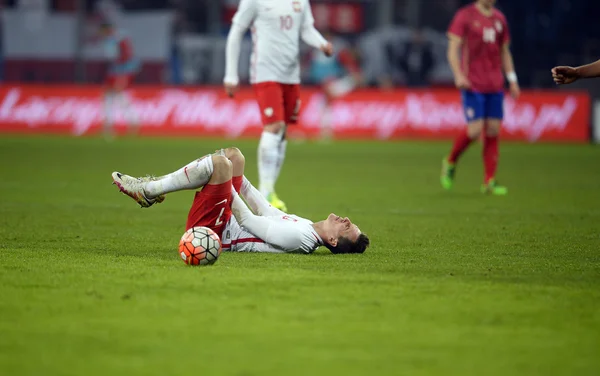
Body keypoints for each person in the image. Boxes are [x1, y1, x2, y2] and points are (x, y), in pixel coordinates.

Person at [110, 147, 370, 255]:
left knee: (219, 164)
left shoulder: (300, 239)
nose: (346, 220)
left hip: (216, 232)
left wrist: (223, 182)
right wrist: (240, 179)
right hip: (227, 218)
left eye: (347, 227)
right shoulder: (307, 226)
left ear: (333, 241)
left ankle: (149, 189)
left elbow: (248, 219)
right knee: (235, 156)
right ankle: (153, 189)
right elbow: (265, 208)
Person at [223, 0, 333, 212]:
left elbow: (307, 29)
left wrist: (321, 43)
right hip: (265, 72)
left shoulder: (300, 1)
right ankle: (265, 193)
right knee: (274, 126)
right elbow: (236, 31)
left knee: (282, 131)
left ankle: (270, 191)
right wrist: (230, 75)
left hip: (291, 75)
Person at [441, 0, 520, 195]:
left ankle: (489, 181)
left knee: (493, 129)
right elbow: (453, 49)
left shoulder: (499, 19)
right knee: (475, 130)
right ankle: (450, 161)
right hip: (472, 83)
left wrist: (512, 79)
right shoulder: (465, 15)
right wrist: (458, 75)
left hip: (495, 84)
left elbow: (504, 52)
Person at [307, 31, 363, 140]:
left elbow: (347, 63)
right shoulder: (315, 52)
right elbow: (312, 69)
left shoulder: (337, 50)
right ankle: (326, 130)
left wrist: (354, 73)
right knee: (324, 104)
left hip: (336, 81)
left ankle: (327, 130)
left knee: (326, 102)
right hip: (322, 84)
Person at [98, 21, 141, 138]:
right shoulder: (110, 40)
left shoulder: (120, 39)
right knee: (108, 97)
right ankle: (108, 126)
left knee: (120, 96)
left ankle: (133, 122)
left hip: (121, 72)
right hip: (114, 71)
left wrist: (124, 76)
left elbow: (127, 57)